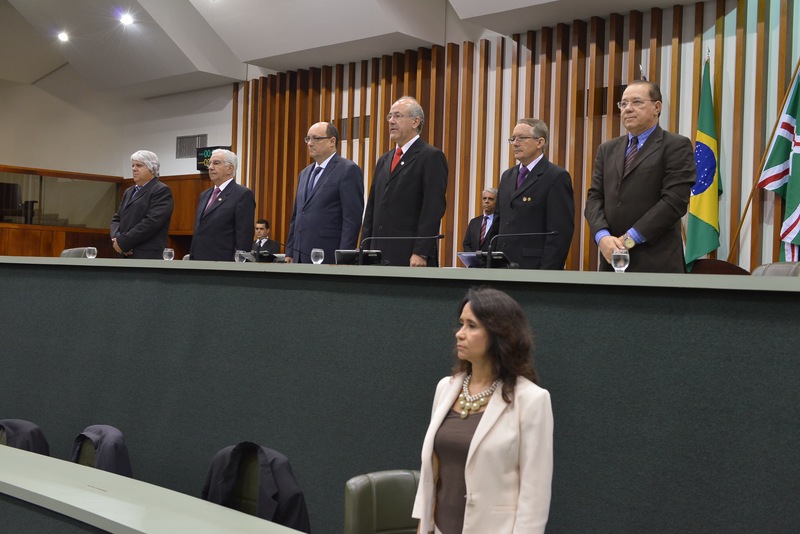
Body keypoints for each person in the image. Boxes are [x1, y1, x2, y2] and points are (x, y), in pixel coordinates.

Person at [412, 287, 554, 534]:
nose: (459, 334)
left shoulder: (532, 400)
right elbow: (431, 478)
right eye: (461, 324)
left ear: (500, 334)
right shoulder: (445, 388)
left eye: (471, 326)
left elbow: (535, 496)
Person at [584, 80, 695, 273]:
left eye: (636, 102)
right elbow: (594, 198)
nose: (627, 109)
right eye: (623, 103)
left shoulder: (675, 146)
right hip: (611, 260)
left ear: (657, 107)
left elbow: (674, 202)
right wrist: (602, 237)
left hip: (656, 262)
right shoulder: (607, 149)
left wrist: (629, 240)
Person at [361, 96, 448, 266]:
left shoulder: (430, 156)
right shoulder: (384, 160)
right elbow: (372, 207)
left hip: (409, 255)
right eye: (390, 116)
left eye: (398, 116)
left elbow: (433, 209)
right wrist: (364, 249)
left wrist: (421, 252)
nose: (391, 121)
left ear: (415, 122)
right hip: (377, 254)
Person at [495, 119, 574, 269]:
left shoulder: (556, 177)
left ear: (540, 142)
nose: (515, 143)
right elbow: (497, 224)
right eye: (513, 139)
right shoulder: (507, 176)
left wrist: (545, 275)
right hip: (501, 267)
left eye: (521, 138)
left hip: (534, 268)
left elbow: (559, 234)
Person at [285, 122, 364, 264]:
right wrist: (290, 251)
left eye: (316, 138)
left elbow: (351, 219)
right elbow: (297, 216)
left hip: (329, 255)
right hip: (299, 255)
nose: (310, 143)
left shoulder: (348, 170)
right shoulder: (304, 173)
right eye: (308, 139)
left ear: (332, 141)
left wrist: (344, 256)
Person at [189, 148, 256, 261]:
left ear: (230, 169)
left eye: (216, 163)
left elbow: (244, 236)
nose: (210, 167)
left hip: (224, 263)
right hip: (199, 261)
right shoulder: (204, 195)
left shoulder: (242, 194)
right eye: (210, 163)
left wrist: (238, 264)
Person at [110, 150, 174, 259]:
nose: (134, 169)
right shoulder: (128, 192)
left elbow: (151, 223)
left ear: (152, 169)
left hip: (147, 255)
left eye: (139, 165)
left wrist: (124, 242)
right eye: (133, 165)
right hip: (123, 253)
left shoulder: (161, 190)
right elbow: (117, 219)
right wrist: (118, 241)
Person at [462, 188, 498, 253]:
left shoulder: (500, 222)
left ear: (497, 202)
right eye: (484, 198)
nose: (486, 201)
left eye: (490, 199)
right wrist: (473, 257)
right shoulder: (474, 222)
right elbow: (467, 244)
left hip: (492, 258)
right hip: (474, 258)